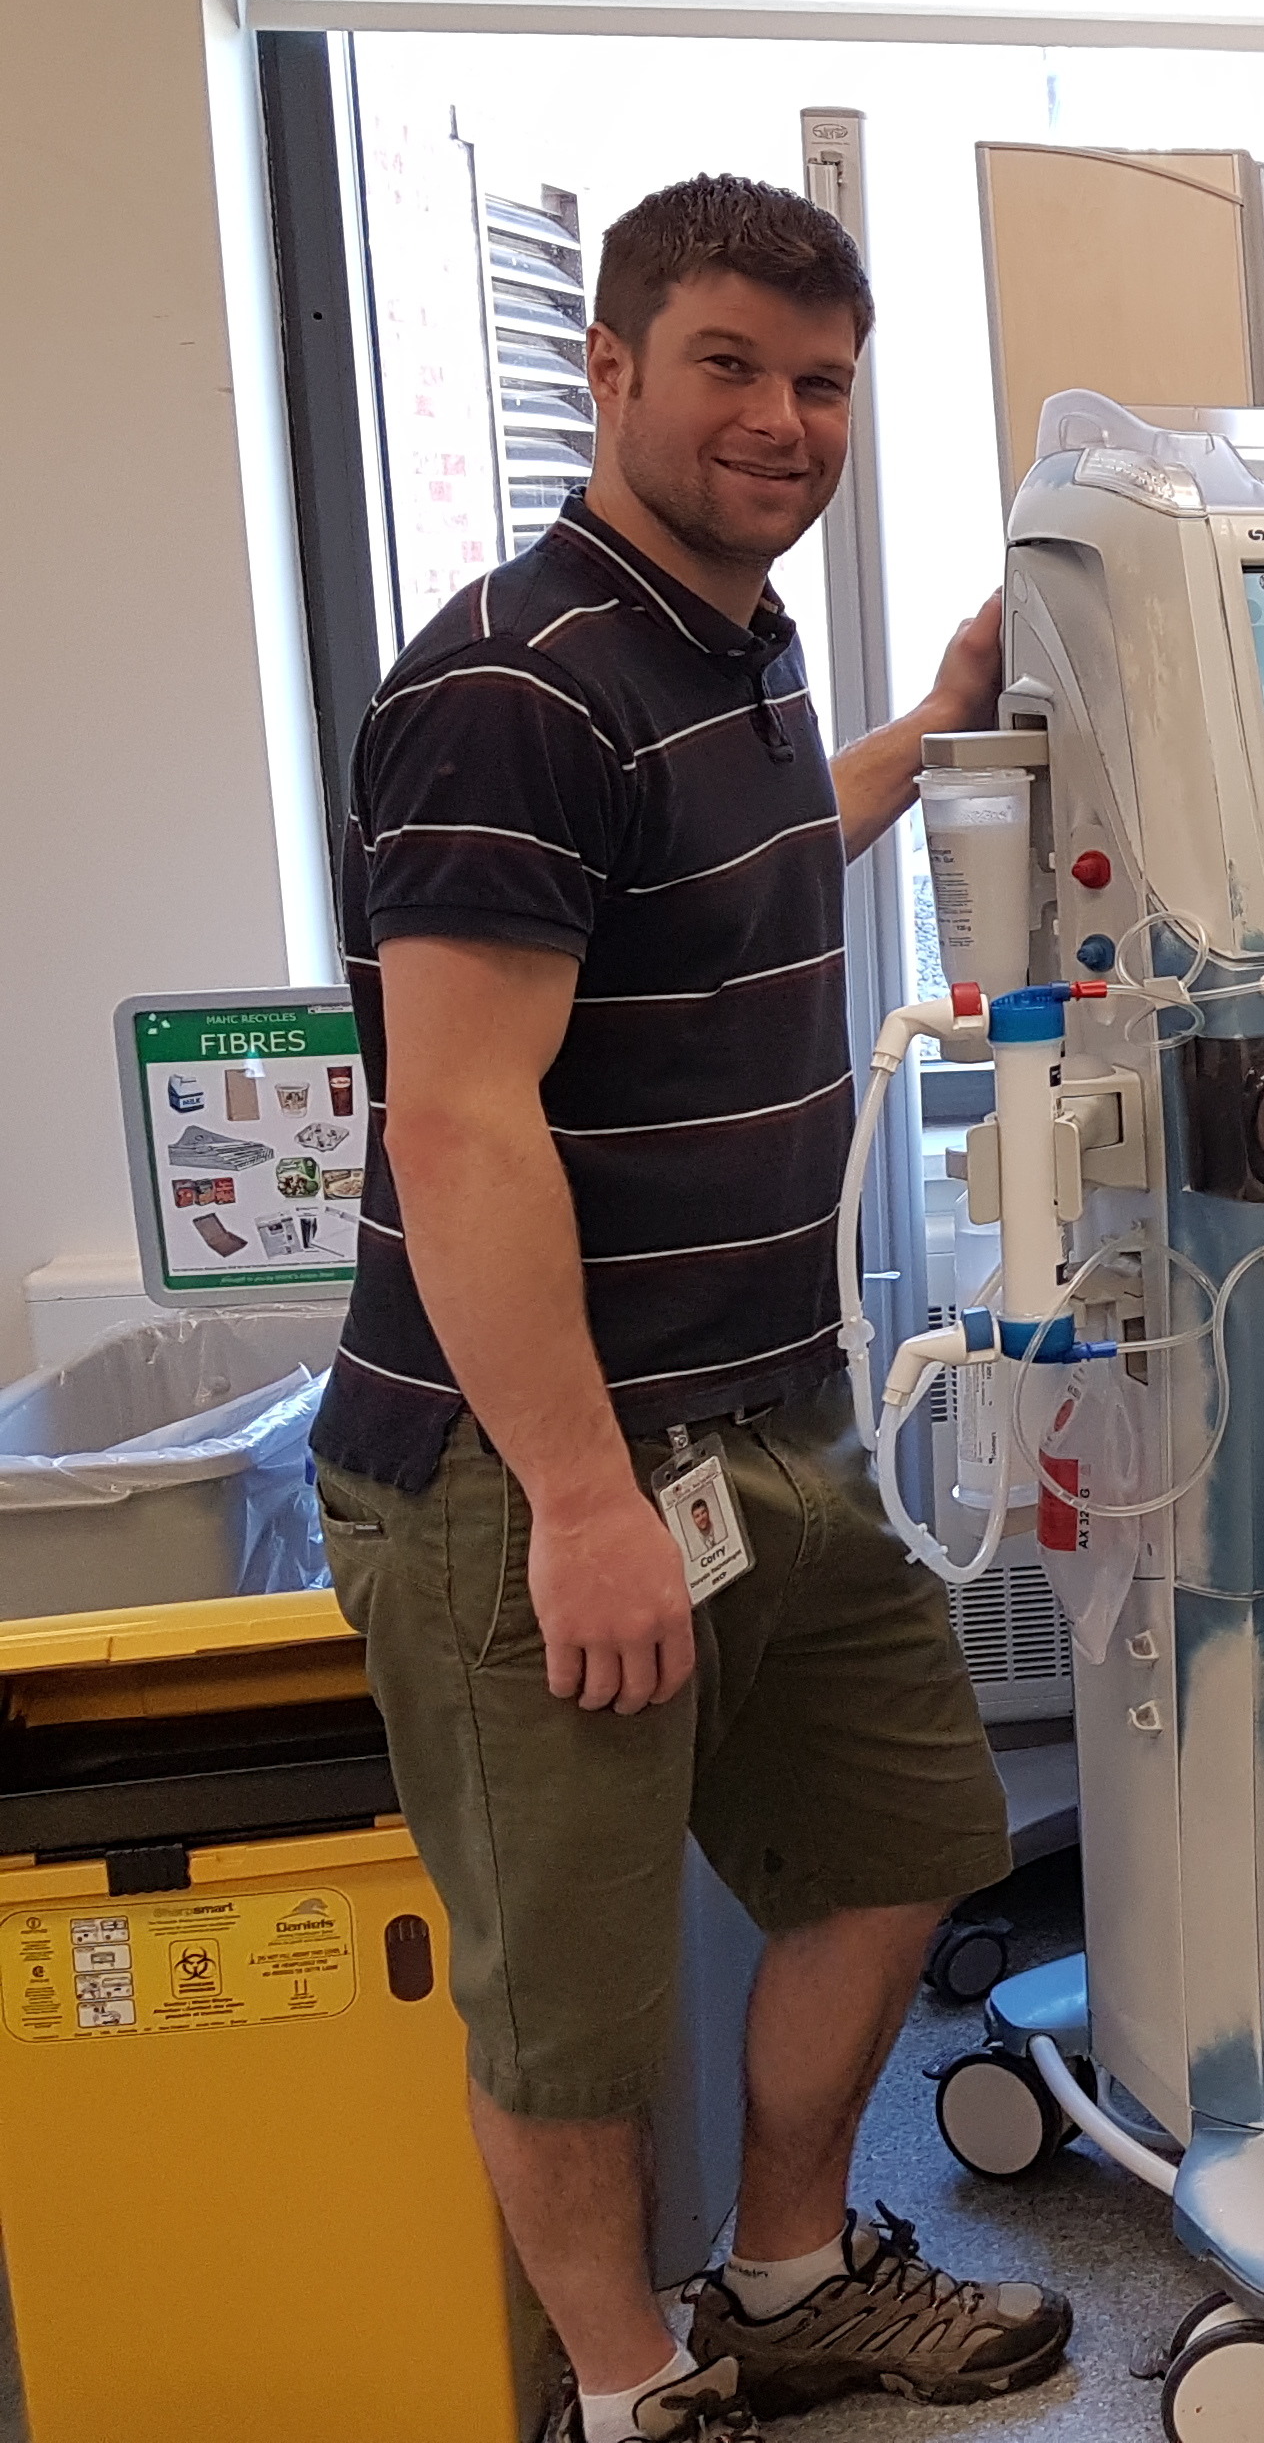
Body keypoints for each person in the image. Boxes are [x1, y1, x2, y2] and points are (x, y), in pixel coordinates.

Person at [314, 176, 1065, 2443]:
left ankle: (787, 2274)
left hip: (766, 1418)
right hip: (530, 1462)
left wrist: (932, 726)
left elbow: (727, 875)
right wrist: (574, 1501)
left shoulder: (731, 648)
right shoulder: (508, 688)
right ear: (613, 366)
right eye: (729, 365)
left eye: (820, 383)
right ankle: (634, 2392)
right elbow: (457, 1120)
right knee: (569, 1995)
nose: (782, 421)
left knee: (901, 1842)